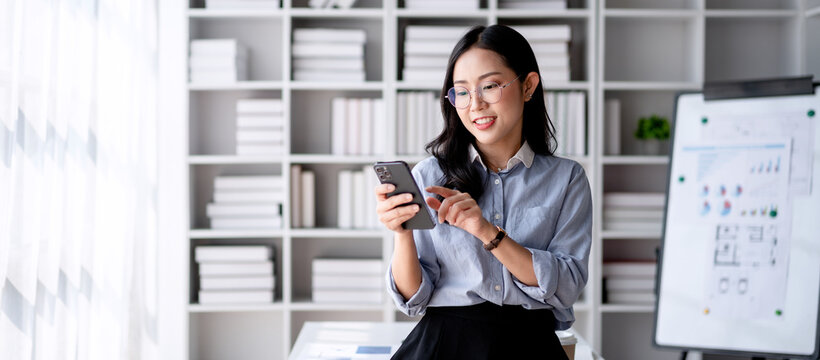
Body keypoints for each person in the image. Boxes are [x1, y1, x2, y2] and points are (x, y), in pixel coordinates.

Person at [375, 24, 592, 359]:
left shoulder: (567, 179)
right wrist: (401, 233)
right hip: (443, 342)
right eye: (461, 92)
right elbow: (412, 299)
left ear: (528, 86)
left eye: (489, 86)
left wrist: (486, 231)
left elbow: (566, 286)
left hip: (530, 343)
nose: (475, 104)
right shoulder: (430, 175)